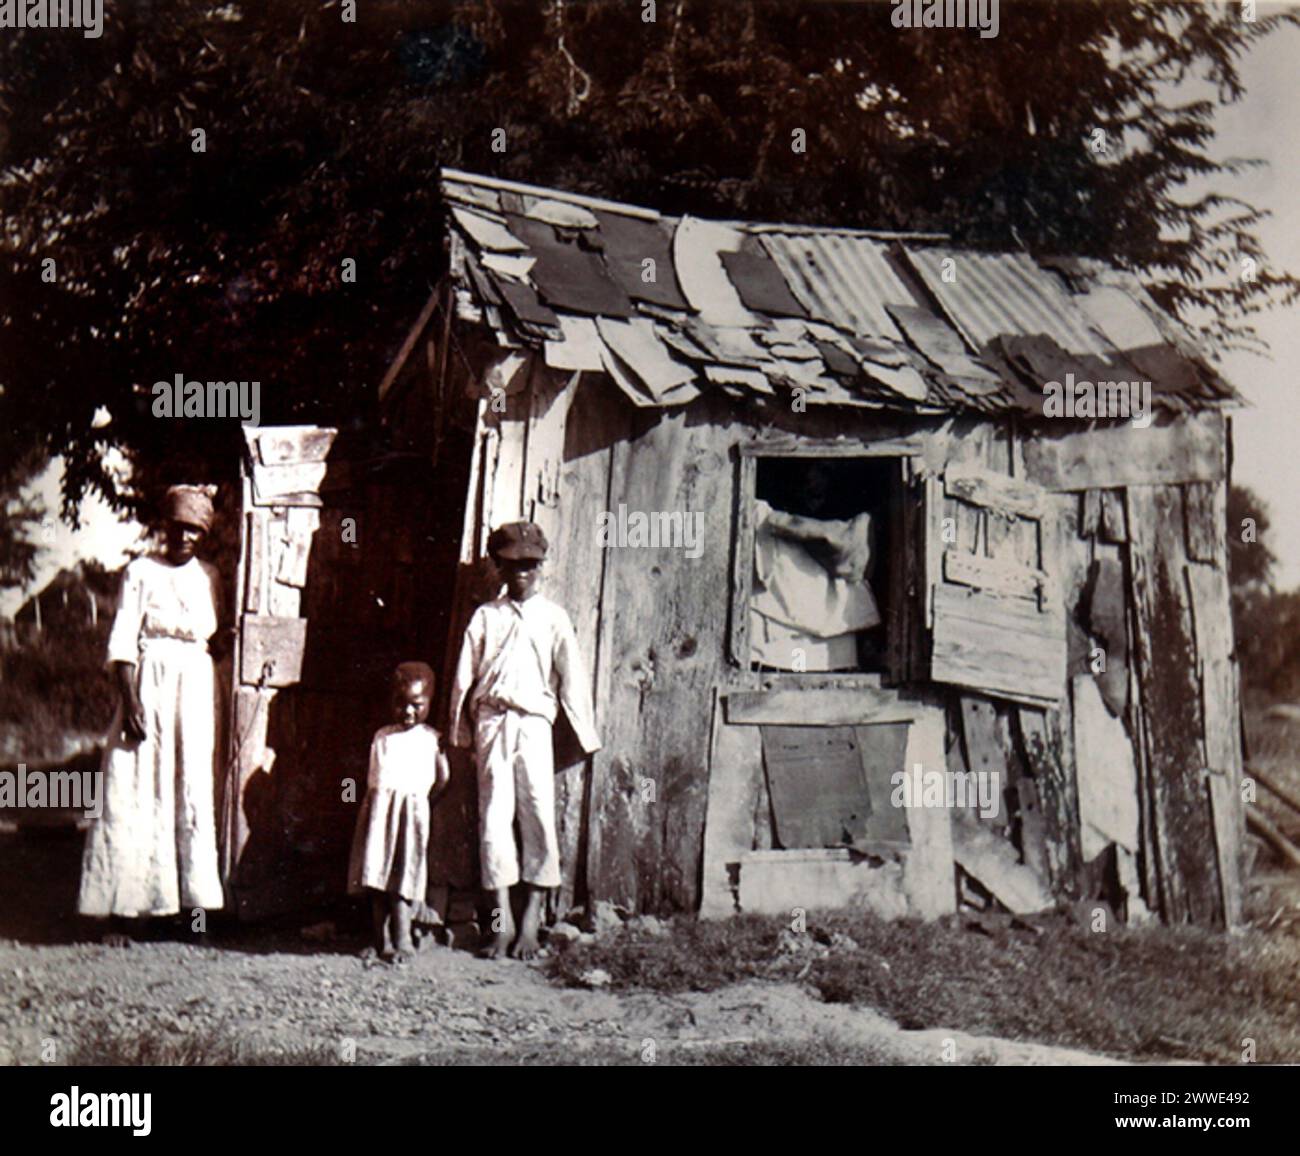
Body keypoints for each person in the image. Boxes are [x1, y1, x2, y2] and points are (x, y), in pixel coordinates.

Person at [78, 485, 228, 942]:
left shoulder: (210, 576)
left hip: (196, 689)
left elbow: (215, 639)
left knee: (191, 790)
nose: (185, 537)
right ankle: (124, 916)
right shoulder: (140, 571)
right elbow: (122, 642)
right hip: (148, 685)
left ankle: (193, 916)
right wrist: (131, 701)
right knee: (132, 788)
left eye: (195, 530)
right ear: (164, 527)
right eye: (178, 527)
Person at [449, 521, 600, 960]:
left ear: (542, 567)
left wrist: (580, 737)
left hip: (535, 725)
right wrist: (462, 732)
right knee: (493, 818)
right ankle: (502, 922)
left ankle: (531, 920)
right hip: (493, 723)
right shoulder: (485, 617)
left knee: (536, 813)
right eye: (513, 565)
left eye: (531, 565)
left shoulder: (554, 618)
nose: (522, 574)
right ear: (498, 566)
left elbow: (572, 681)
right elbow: (463, 679)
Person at [347, 662, 450, 964]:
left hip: (412, 815)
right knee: (378, 878)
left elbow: (443, 778)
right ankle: (382, 940)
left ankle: (404, 937)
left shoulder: (432, 739)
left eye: (416, 705)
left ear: (430, 702)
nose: (407, 712)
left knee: (405, 878)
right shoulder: (382, 737)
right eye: (400, 703)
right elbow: (366, 777)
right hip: (380, 816)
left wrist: (422, 802)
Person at [750, 462, 881, 671]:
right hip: (817, 630)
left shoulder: (855, 528)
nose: (812, 483)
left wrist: (775, 522)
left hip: (793, 627)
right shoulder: (853, 530)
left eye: (821, 474)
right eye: (807, 481)